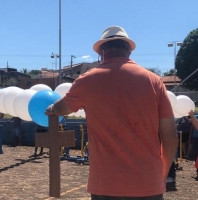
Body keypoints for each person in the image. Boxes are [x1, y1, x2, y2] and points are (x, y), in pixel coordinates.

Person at [45, 26, 178, 199]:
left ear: (101, 52)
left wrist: (53, 108)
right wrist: (162, 175)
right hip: (148, 183)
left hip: (106, 185)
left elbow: (62, 108)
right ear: (129, 51)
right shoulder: (154, 81)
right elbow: (170, 138)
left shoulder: (88, 80)